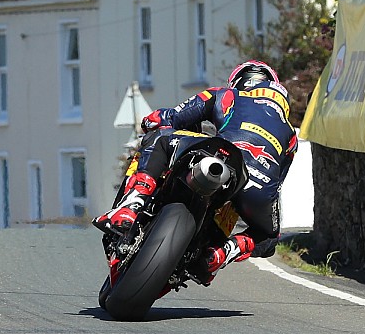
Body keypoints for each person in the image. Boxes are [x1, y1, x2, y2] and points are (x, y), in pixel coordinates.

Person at [93, 60, 297, 284]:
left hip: (221, 152)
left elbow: (167, 118)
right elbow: (278, 182)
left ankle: (132, 205)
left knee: (159, 138)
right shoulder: (290, 135)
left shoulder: (226, 95)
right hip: (256, 186)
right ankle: (222, 252)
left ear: (238, 82)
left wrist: (150, 121)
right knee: (269, 237)